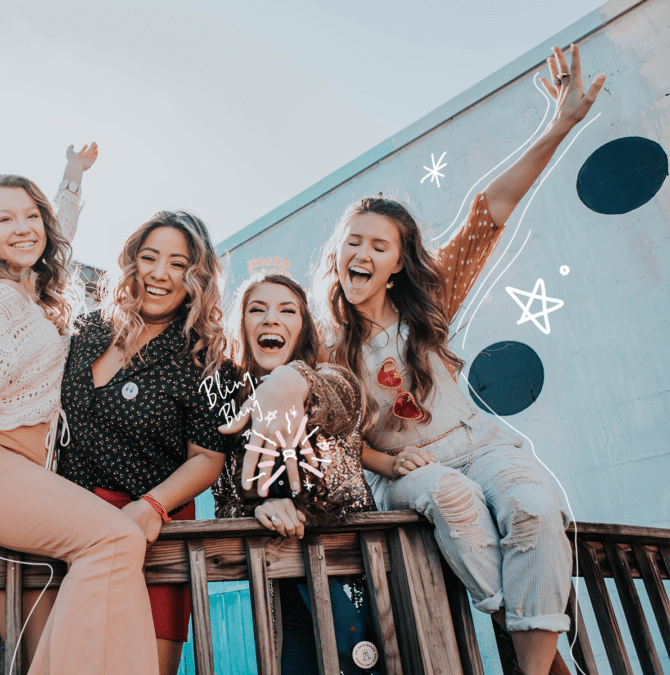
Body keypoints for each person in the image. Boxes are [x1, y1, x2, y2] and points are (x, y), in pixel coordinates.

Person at [242, 45, 603, 675]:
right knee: (456, 502)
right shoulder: (323, 341)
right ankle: (545, 662)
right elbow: (330, 435)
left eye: (377, 245)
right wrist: (285, 389)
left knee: (535, 510)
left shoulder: (429, 306)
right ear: (337, 254)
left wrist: (559, 126)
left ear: (397, 263)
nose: (361, 251)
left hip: (476, 440)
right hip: (403, 469)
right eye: (352, 240)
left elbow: (488, 211)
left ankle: (535, 662)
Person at [0, 146, 162, 675]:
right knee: (116, 537)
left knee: (54, 634)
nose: (24, 227)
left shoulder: (29, 292)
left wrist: (72, 178)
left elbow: (55, 236)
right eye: (5, 219)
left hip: (19, 473)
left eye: (31, 215)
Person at [59, 210, 231, 675]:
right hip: (63, 529)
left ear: (196, 276)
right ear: (131, 262)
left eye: (177, 263)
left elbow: (207, 458)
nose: (159, 273)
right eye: (149, 257)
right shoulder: (88, 329)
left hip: (154, 537)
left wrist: (151, 507)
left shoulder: (205, 357)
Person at [213, 274, 381, 675]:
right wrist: (260, 508)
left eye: (287, 310)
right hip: (284, 590)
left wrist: (291, 380)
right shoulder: (228, 409)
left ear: (303, 326)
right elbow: (226, 503)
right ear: (241, 326)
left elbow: (345, 402)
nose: (272, 319)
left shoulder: (332, 377)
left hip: (353, 574)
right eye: (258, 309)